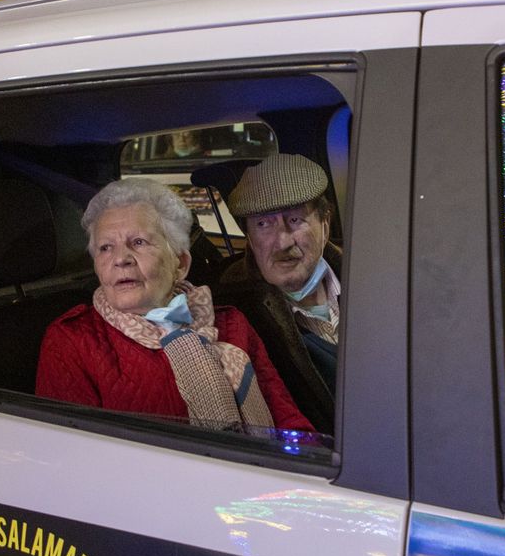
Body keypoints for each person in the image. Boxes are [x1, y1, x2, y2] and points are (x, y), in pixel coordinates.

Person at [36, 178, 311, 434]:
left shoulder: (230, 323)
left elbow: (288, 421)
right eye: (105, 247)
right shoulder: (72, 341)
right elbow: (74, 455)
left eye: (138, 242)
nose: (120, 259)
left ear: (180, 264)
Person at [219, 154, 340, 432]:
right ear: (250, 239)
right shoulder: (236, 317)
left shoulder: (374, 278)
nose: (282, 241)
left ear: (325, 224)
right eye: (263, 224)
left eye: (295, 219)